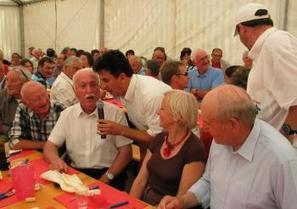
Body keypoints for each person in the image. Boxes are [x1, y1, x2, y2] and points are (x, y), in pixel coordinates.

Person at [159, 84, 297, 209]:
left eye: (207, 123)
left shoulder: (281, 161)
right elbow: (208, 182)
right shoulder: (221, 139)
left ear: (232, 125)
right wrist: (182, 201)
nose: (204, 128)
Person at [43, 68, 132, 190]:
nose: (89, 90)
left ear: (99, 88)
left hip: (110, 174)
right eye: (83, 86)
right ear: (75, 91)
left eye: (93, 85)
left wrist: (107, 178)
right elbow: (50, 146)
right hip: (77, 174)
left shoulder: (115, 113)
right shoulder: (67, 115)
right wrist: (56, 160)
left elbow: (126, 153)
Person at [234, 2, 297, 143]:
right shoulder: (268, 45)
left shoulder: (276, 43)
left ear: (242, 29)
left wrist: (284, 140)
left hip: (281, 149)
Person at [130, 90, 205, 206]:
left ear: (177, 116)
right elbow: (140, 180)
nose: (158, 112)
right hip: (144, 201)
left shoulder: (194, 149)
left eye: (162, 108)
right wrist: (131, 204)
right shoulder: (160, 138)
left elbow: (181, 200)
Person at [93, 50, 171, 146]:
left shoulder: (151, 96)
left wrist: (120, 130)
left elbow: (157, 138)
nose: (103, 86)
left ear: (122, 77)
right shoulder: (122, 89)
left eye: (105, 80)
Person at [8, 81, 62, 150]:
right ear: (26, 103)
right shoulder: (23, 109)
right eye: (36, 99)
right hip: (33, 157)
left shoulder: (61, 109)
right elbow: (14, 143)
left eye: (44, 95)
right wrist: (48, 145)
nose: (43, 101)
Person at [0, 68, 31, 138]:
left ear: (26, 82)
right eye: (7, 80)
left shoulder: (35, 96)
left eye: (13, 81)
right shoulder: (2, 96)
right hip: (7, 139)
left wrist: (4, 128)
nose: (8, 84)